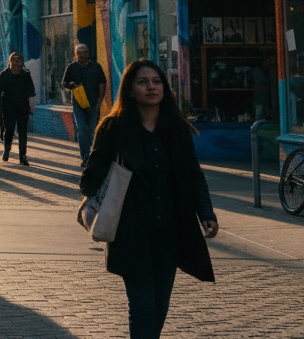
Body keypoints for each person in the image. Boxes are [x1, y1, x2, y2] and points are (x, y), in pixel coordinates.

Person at [80, 60, 218, 339]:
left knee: (159, 308)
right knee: (143, 307)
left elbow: (193, 174)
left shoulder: (176, 129)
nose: (151, 86)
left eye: (156, 81)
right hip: (130, 233)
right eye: (143, 81)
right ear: (130, 90)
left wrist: (206, 213)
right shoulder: (113, 128)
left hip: (170, 232)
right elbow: (89, 180)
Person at [63, 43, 108, 167]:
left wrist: (100, 98)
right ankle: (85, 156)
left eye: (84, 52)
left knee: (93, 130)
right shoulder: (72, 67)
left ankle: (94, 154)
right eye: (79, 53)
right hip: (78, 105)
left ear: (88, 54)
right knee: (82, 129)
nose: (82, 55)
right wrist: (71, 85)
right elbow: (64, 82)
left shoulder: (96, 67)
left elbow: (102, 82)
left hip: (94, 103)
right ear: (76, 55)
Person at [0, 52, 36, 166]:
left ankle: (22, 156)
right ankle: (7, 149)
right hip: (8, 108)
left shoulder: (25, 75)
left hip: (23, 108)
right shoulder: (4, 74)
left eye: (19, 60)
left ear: (22, 62)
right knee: (9, 130)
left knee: (23, 132)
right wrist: (2, 95)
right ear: (10, 61)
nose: (16, 61)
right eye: (14, 59)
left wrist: (29, 97)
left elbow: (31, 90)